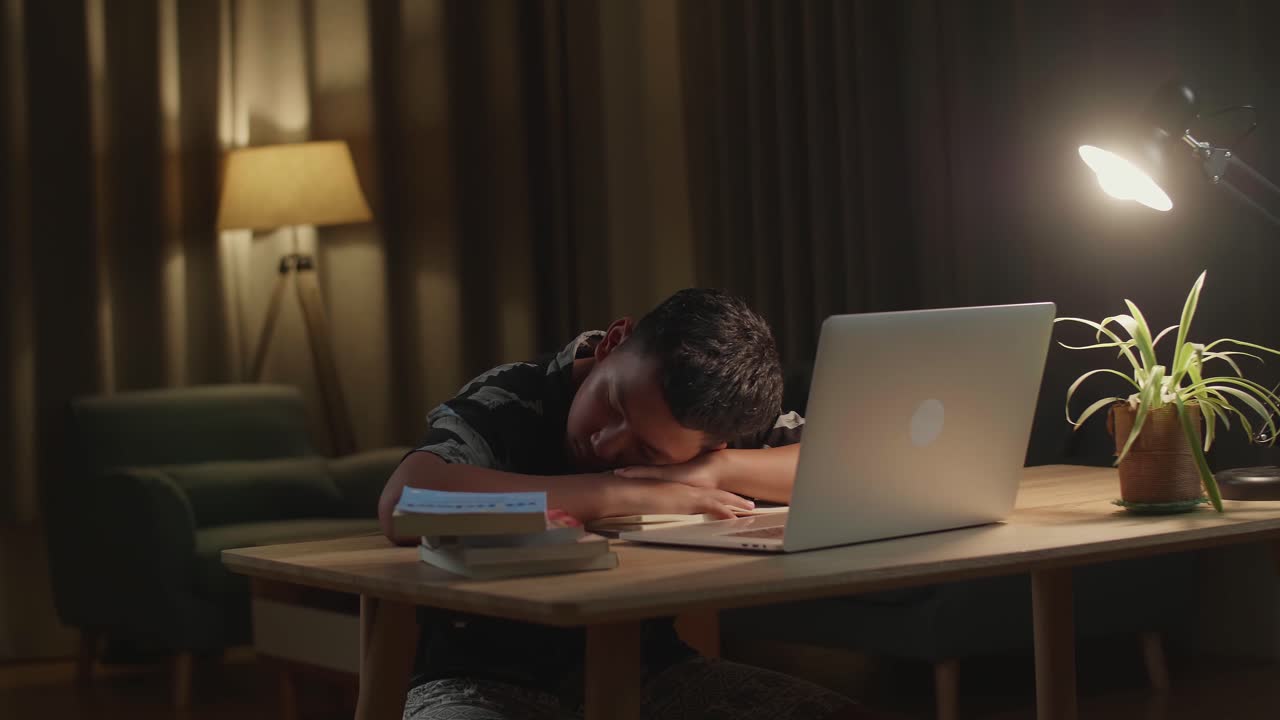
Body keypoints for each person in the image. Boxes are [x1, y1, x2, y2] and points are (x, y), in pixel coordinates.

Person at [379, 288, 870, 719]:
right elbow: (404, 503)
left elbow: (858, 465)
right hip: (478, 681)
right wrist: (623, 490)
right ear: (613, 342)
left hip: (649, 672)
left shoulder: (712, 425)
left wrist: (715, 472)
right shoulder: (512, 397)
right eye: (613, 403)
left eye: (647, 451)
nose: (606, 443)